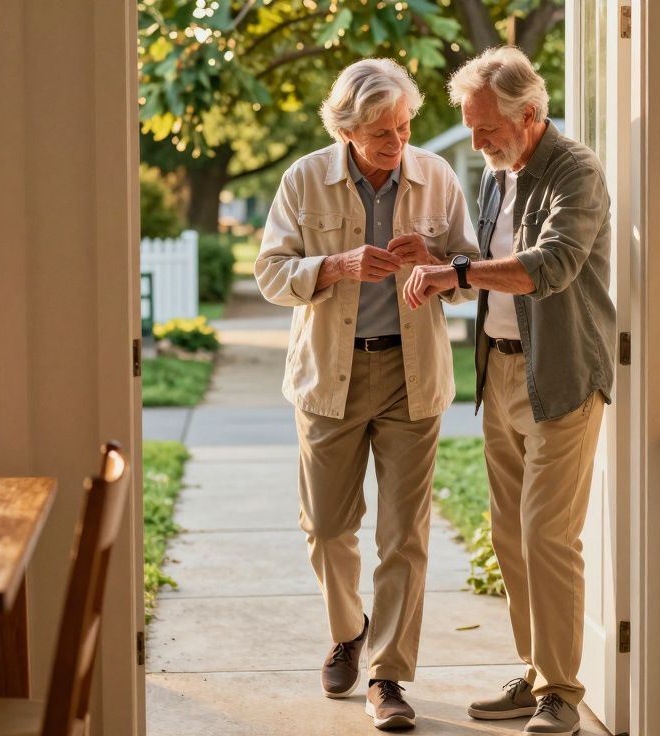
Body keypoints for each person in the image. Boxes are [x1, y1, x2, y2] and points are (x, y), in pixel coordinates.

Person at [255, 57, 478, 731]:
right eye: (381, 131)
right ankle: (349, 630)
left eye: (404, 127)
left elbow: (471, 270)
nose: (396, 142)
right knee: (326, 527)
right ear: (348, 128)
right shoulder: (304, 179)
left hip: (413, 380)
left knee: (403, 535)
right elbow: (270, 273)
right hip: (330, 373)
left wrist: (436, 268)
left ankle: (388, 675)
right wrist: (335, 266)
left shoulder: (435, 178)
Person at [403, 46, 615, 736]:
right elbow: (482, 269)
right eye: (469, 125)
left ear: (529, 115)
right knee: (509, 534)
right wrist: (433, 261)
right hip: (500, 374)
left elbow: (549, 268)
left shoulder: (575, 172)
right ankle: (534, 673)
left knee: (547, 535)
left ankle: (562, 692)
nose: (476, 139)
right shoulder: (498, 176)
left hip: (562, 374)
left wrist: (456, 274)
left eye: (486, 125)